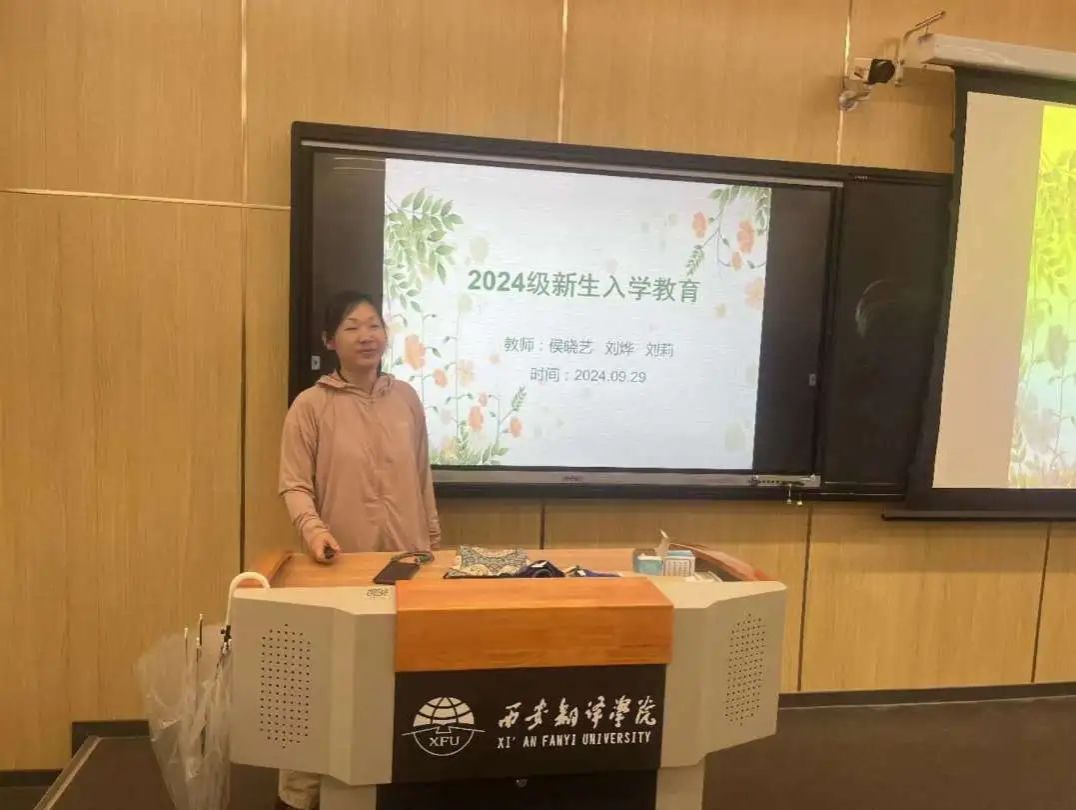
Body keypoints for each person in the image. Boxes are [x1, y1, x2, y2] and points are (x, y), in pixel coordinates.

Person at [275, 290, 441, 810]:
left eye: (374, 325)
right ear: (330, 341)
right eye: (352, 327)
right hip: (341, 569)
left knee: (397, 683)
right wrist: (314, 531)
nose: (367, 336)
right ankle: (301, 794)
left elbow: (422, 477)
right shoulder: (311, 406)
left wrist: (434, 546)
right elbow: (293, 484)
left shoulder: (407, 399)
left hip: (408, 567)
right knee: (325, 685)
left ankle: (383, 785)